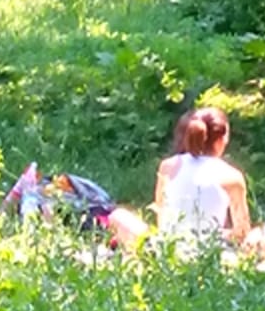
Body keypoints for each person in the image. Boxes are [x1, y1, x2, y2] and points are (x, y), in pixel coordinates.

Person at [107, 105, 250, 248]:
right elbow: (242, 232)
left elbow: (161, 216)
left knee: (118, 216)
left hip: (169, 249)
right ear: (222, 139)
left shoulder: (168, 167)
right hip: (210, 250)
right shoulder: (232, 176)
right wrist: (219, 233)